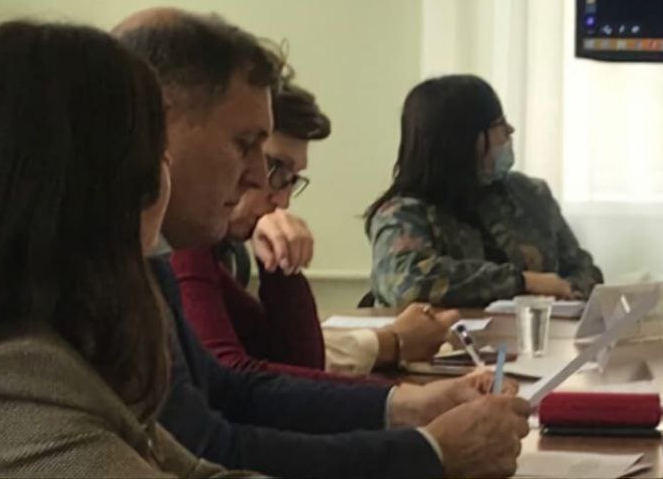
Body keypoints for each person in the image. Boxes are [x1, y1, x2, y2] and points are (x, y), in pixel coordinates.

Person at [116, 9, 530, 479]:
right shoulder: (104, 275)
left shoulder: (152, 256)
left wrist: (411, 406)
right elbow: (207, 450)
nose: (258, 178)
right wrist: (430, 452)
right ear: (158, 124)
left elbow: (230, 390)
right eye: (245, 144)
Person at [0, 22, 231, 477]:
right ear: (110, 191)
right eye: (158, 151)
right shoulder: (12, 397)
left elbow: (196, 471)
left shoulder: (34, 353)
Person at [172, 79, 460, 383]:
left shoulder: (214, 249)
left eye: (292, 179)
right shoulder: (184, 241)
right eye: (275, 168)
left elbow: (302, 359)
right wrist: (402, 400)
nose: (282, 200)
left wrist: (281, 263)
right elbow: (230, 378)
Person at [367, 75, 605, 308]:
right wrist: (523, 282)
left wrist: (570, 290)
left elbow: (584, 269)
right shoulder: (402, 214)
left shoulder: (532, 195)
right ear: (464, 139)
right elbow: (408, 284)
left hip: (540, 331)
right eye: (499, 124)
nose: (510, 130)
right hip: (449, 334)